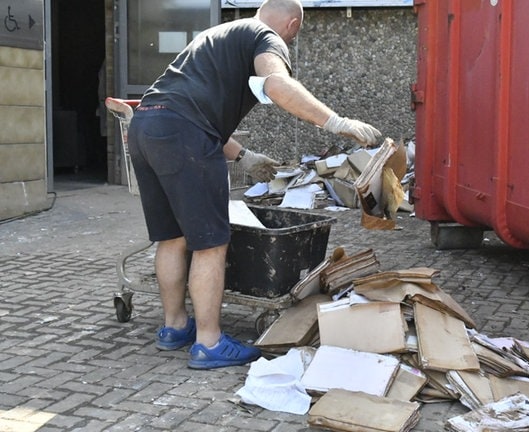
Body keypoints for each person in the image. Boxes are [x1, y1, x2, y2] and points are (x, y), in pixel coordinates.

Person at [127, 0, 380, 370]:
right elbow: (276, 84)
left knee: (171, 237)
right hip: (183, 135)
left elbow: (188, 106)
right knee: (210, 244)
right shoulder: (267, 37)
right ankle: (209, 343)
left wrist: (243, 155)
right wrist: (336, 122)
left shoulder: (218, 35)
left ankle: (175, 327)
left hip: (146, 127)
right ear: (292, 24)